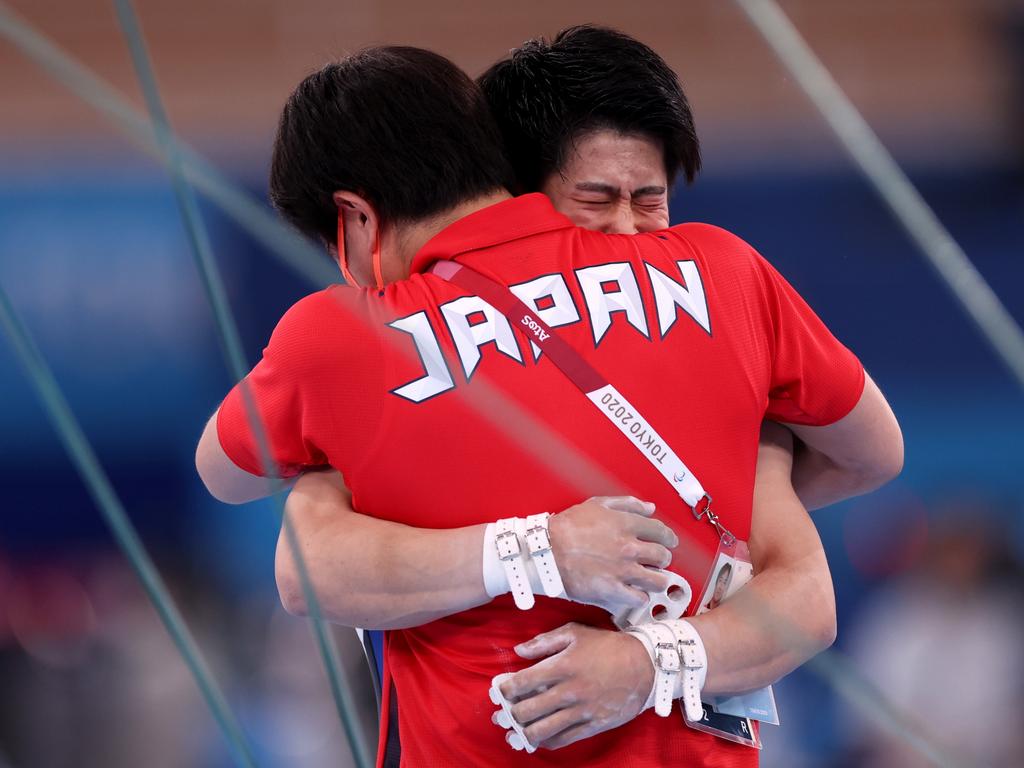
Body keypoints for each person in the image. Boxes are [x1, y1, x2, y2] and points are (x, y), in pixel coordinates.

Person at [195, 35, 902, 768]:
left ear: (354, 218)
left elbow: (226, 473)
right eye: (600, 198)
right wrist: (721, 487)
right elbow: (876, 452)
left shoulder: (346, 335)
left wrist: (347, 487)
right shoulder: (723, 269)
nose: (626, 225)